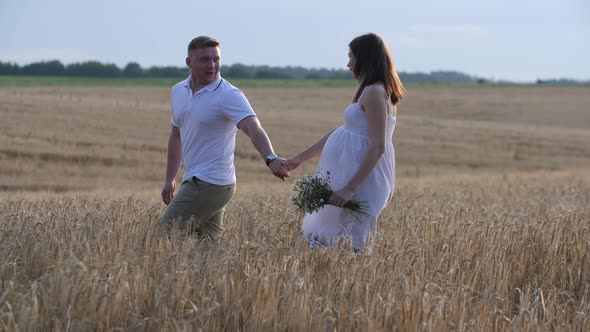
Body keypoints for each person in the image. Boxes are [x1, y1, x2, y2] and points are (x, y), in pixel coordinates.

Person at [158, 36, 289, 241]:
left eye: (216, 59)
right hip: (196, 179)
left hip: (212, 181)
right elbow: (176, 137)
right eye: (204, 60)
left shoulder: (229, 95)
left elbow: (253, 128)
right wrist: (170, 178)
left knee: (162, 236)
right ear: (189, 62)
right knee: (208, 249)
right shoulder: (178, 91)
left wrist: (270, 158)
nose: (212, 65)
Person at [285, 33, 405, 251]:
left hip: (361, 181)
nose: (348, 63)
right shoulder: (369, 91)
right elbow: (343, 131)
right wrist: (299, 158)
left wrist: (349, 188)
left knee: (350, 244)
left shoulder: (376, 92)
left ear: (365, 59)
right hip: (351, 176)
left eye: (351, 57)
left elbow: (378, 146)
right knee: (335, 244)